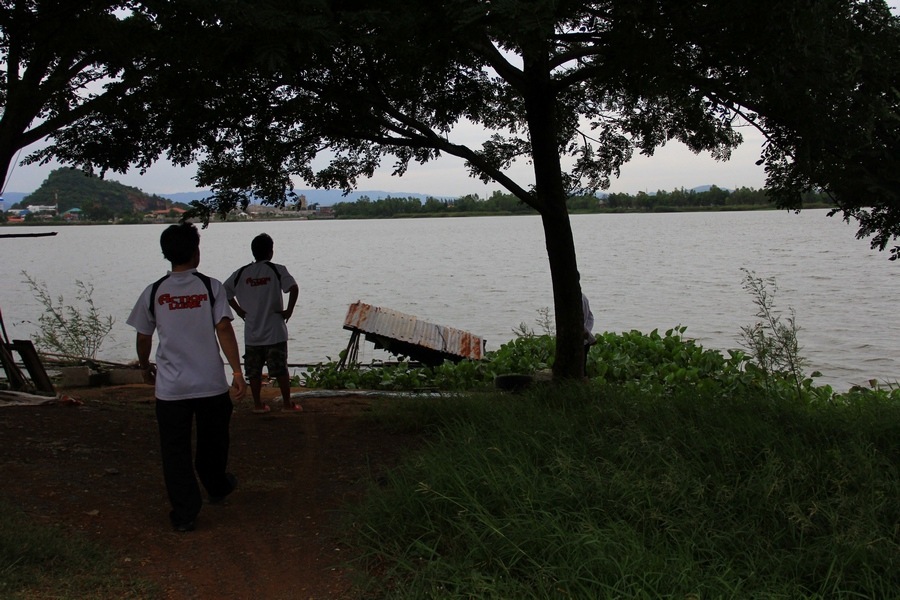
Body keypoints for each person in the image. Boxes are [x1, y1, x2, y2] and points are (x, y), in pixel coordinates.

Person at [126, 222, 247, 532]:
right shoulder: (210, 287)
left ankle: (185, 514)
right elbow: (223, 328)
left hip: (171, 389)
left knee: (175, 451)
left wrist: (144, 365)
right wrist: (236, 371)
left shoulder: (154, 291)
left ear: (168, 255)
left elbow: (144, 336)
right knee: (214, 442)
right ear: (195, 252)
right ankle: (217, 485)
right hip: (210, 384)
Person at [225, 233, 301, 413]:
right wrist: (289, 310)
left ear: (253, 252)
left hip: (252, 333)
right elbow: (293, 288)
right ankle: (286, 404)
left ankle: (258, 404)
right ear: (270, 251)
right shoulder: (277, 269)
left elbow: (224, 291)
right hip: (275, 331)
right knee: (281, 369)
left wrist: (239, 310)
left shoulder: (241, 273)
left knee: (254, 372)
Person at [582, 291, 595, 377]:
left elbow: (579, 322)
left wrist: (590, 338)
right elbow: (590, 318)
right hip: (585, 341)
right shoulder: (583, 297)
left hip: (582, 340)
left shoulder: (577, 299)